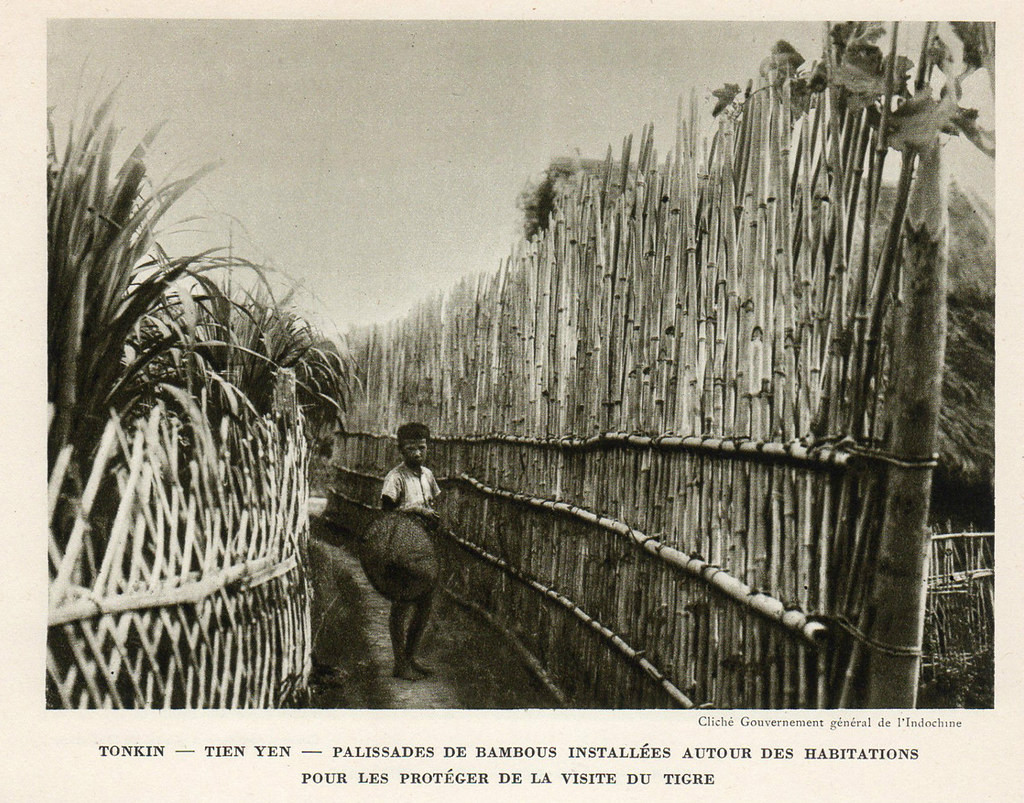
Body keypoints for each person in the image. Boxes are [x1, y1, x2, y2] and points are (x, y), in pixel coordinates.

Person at [362, 422, 441, 680]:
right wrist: (415, 510)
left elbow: (433, 503)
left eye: (422, 448)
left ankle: (410, 656)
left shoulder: (427, 475)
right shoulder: (395, 478)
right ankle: (400, 662)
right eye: (411, 449)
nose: (417, 454)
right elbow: (387, 513)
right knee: (402, 603)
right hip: (399, 548)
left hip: (423, 548)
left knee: (425, 604)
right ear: (400, 450)